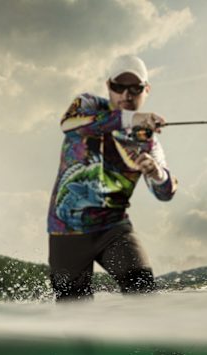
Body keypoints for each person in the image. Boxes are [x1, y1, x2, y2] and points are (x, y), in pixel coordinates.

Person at [47, 54, 178, 301]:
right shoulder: (87, 105)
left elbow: (166, 192)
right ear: (108, 86)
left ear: (146, 89)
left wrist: (156, 173)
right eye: (118, 87)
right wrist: (132, 118)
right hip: (67, 230)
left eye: (135, 88)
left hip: (114, 230)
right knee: (73, 308)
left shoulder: (149, 142)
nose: (126, 95)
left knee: (143, 291)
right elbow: (67, 124)